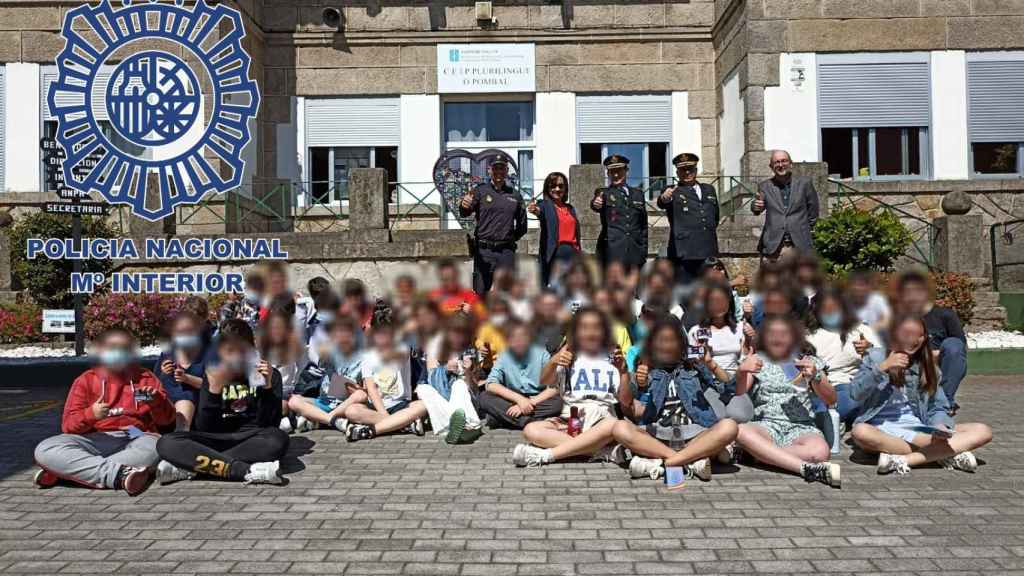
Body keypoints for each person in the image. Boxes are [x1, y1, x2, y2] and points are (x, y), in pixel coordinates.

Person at [33, 327, 175, 495]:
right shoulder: (86, 380)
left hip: (136, 433)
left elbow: (167, 422)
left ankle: (69, 473)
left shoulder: (146, 377)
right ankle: (118, 474)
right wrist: (91, 414)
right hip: (97, 435)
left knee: (155, 447)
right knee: (46, 448)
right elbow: (68, 427)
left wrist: (156, 402)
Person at [850, 314, 992, 475]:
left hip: (917, 428)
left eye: (918, 335)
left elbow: (938, 406)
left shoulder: (927, 367)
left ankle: (904, 460)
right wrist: (883, 368)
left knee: (983, 430)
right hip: (880, 429)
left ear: (924, 338)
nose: (912, 340)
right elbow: (855, 393)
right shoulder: (875, 357)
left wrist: (940, 425)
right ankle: (943, 454)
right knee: (860, 432)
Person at [155, 320, 289, 485]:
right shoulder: (214, 373)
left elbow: (270, 423)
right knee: (166, 443)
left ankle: (193, 466)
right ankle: (246, 471)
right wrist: (213, 390)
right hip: (214, 438)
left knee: (277, 440)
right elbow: (205, 426)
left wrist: (267, 387)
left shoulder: (268, 374)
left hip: (250, 439)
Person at [613, 317, 743, 486]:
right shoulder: (646, 368)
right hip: (658, 437)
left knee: (729, 426)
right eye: (661, 341)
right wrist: (627, 375)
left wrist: (711, 364)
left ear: (682, 344)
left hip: (696, 436)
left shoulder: (694, 366)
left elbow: (727, 389)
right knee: (619, 428)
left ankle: (664, 462)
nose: (666, 346)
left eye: (671, 341)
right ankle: (688, 461)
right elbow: (626, 404)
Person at [511, 307, 632, 467]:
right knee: (531, 430)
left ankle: (546, 455)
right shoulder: (569, 355)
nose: (590, 333)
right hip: (572, 418)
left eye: (596, 328)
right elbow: (545, 381)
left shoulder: (612, 358)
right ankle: (600, 452)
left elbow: (626, 402)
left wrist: (623, 373)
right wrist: (554, 361)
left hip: (602, 420)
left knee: (612, 425)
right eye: (584, 328)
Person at [734, 315, 841, 487]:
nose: (778, 338)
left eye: (783, 334)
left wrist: (816, 377)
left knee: (820, 452)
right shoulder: (757, 360)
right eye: (772, 334)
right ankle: (805, 468)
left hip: (801, 426)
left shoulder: (808, 361)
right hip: (765, 425)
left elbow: (832, 399)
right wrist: (742, 372)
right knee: (739, 431)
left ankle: (760, 455)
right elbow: (739, 393)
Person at [344, 302, 429, 442]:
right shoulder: (368, 354)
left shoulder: (403, 349)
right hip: (377, 406)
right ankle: (403, 425)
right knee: (351, 411)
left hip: (400, 404)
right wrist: (383, 412)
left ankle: (371, 430)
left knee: (423, 405)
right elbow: (370, 388)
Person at [805, 287, 882, 426]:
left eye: (835, 309)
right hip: (818, 389)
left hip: (850, 386)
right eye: (826, 310)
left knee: (854, 397)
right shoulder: (808, 335)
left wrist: (869, 349)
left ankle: (826, 421)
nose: (831, 313)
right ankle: (831, 420)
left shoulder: (860, 330)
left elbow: (883, 359)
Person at [894, 271, 967, 411]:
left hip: (939, 362)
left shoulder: (945, 315)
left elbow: (960, 347)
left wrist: (935, 355)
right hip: (911, 361)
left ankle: (945, 401)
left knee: (954, 344)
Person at [459, 154, 528, 295]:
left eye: (502, 168)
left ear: (507, 170)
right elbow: (465, 212)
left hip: (505, 252)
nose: (499, 171)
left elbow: (522, 226)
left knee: (506, 294)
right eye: (495, 168)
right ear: (489, 170)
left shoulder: (515, 196)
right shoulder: (480, 191)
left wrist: (508, 239)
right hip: (484, 251)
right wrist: (463, 204)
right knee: (481, 294)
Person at [478, 320, 564, 429]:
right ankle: (529, 421)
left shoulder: (542, 354)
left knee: (558, 402)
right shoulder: (504, 356)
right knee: (484, 397)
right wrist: (519, 400)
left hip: (537, 398)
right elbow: (490, 384)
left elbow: (554, 387)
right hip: (512, 398)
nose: (518, 341)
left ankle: (502, 418)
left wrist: (530, 402)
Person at [415, 313, 485, 444]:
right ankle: (466, 428)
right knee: (423, 389)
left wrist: (469, 372)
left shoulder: (469, 350)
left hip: (465, 402)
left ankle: (460, 426)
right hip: (441, 397)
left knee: (459, 384)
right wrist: (445, 369)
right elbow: (433, 383)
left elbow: (475, 390)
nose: (458, 337)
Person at [288, 315, 365, 433]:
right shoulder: (330, 352)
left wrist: (344, 385)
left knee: (360, 395)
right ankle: (333, 421)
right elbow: (318, 354)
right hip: (324, 402)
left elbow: (363, 392)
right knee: (294, 401)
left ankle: (321, 419)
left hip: (345, 404)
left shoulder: (362, 358)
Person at [657, 153, 720, 285]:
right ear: (677, 172)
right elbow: (662, 202)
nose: (687, 172)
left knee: (708, 289)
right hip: (685, 252)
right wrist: (664, 197)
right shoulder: (673, 190)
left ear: (696, 170)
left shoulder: (709, 189)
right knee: (686, 291)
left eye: (690, 169)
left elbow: (715, 217)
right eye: (682, 170)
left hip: (707, 248)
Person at [752, 149, 820, 263]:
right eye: (776, 162)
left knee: (800, 280)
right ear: (771, 166)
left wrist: (802, 228)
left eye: (784, 161)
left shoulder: (805, 184)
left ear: (791, 163)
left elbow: (813, 212)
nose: (780, 165)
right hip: (774, 247)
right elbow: (758, 208)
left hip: (799, 246)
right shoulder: (764, 186)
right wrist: (755, 206)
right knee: (771, 281)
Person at [592, 154, 648, 271]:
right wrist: (596, 202)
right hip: (613, 253)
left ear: (626, 171)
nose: (616, 175)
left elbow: (643, 226)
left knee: (636, 288)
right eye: (612, 172)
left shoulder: (638, 194)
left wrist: (643, 250)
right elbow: (596, 203)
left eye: (619, 171)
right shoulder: (604, 193)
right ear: (608, 174)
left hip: (635, 252)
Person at [155, 311, 209, 430]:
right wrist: (164, 373)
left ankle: (180, 434)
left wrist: (187, 379)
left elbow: (212, 385)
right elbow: (155, 382)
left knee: (186, 393)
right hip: (167, 402)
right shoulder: (167, 354)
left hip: (194, 402)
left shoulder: (206, 355)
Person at [259, 310, 308, 433]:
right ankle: (290, 419)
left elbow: (301, 370)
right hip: (266, 391)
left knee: (284, 405)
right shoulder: (261, 348)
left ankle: (290, 418)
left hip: (287, 392)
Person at [528, 171, 580, 287]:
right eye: (553, 186)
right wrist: (535, 210)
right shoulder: (545, 205)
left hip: (573, 254)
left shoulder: (570, 208)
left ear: (566, 189)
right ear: (547, 188)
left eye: (561, 186)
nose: (557, 189)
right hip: (556, 255)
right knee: (557, 290)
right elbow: (540, 211)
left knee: (572, 291)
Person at [687, 281, 746, 376]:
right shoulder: (696, 331)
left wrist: (749, 340)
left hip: (735, 380)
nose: (718, 304)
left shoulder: (740, 327)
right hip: (707, 382)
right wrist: (700, 354)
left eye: (722, 300)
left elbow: (746, 359)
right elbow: (690, 363)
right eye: (713, 300)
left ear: (729, 302)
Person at [846, 270, 891, 335]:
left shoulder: (877, 298)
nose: (858, 288)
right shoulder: (847, 300)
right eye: (855, 284)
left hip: (874, 335)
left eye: (861, 285)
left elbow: (886, 320)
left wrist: (868, 329)